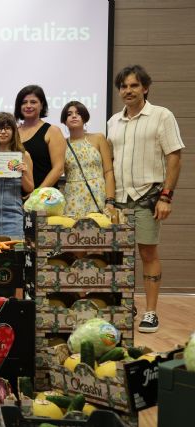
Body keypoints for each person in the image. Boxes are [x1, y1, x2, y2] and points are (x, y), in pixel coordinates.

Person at [108, 65, 184, 333]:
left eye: (134, 86)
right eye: (124, 86)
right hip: (118, 199)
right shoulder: (113, 122)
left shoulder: (162, 116)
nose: (128, 91)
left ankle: (151, 312)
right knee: (118, 256)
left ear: (145, 88)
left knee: (147, 251)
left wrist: (166, 196)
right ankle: (126, 305)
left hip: (148, 196)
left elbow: (174, 156)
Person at [0, 113, 34, 243]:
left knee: (15, 256)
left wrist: (24, 173)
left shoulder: (24, 156)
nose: (3, 132)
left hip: (14, 214)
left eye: (7, 128)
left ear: (14, 131)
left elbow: (30, 188)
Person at [60, 101, 115, 218]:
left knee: (100, 234)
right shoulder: (61, 144)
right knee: (73, 233)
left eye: (78, 113)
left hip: (98, 193)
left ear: (84, 118)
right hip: (72, 196)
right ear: (64, 121)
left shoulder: (98, 138)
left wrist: (110, 201)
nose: (74, 116)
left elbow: (109, 172)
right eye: (69, 114)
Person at [14, 85, 66, 189]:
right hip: (15, 198)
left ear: (42, 105)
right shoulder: (14, 132)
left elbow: (59, 168)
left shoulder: (52, 131)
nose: (28, 106)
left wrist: (36, 194)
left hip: (43, 198)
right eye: (24, 102)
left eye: (33, 102)